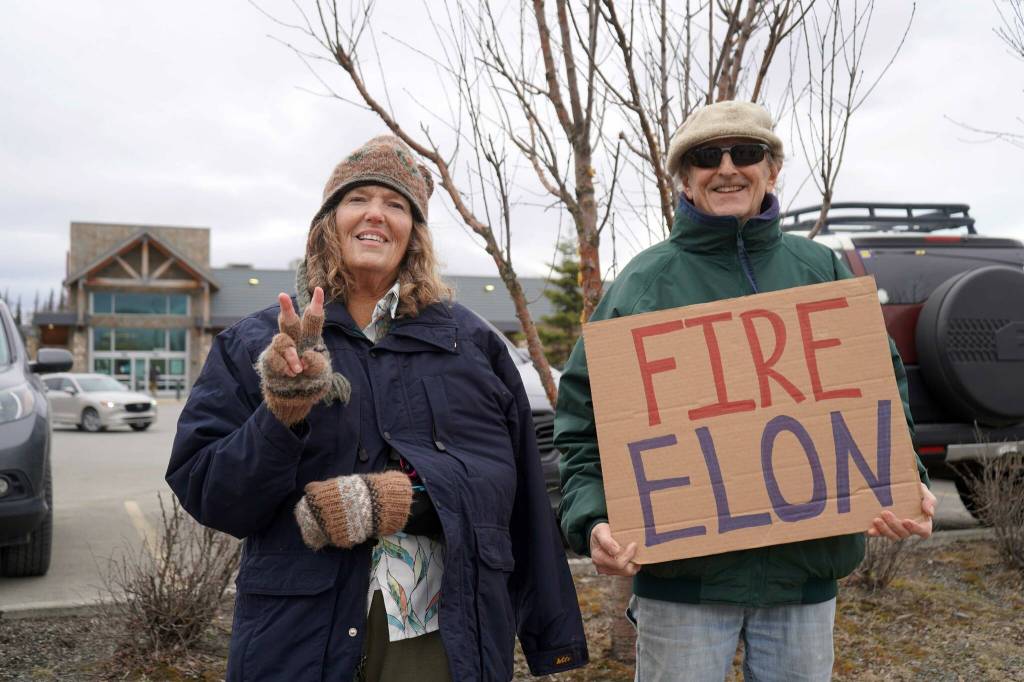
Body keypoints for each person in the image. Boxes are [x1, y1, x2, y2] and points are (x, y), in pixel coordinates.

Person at [167, 135, 588, 681]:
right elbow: (209, 494)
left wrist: (407, 498)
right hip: (296, 638)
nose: (375, 214)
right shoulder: (257, 343)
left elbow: (517, 493)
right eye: (357, 198)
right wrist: (282, 417)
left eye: (395, 204)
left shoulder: (472, 345)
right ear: (328, 222)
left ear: (415, 232)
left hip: (440, 638)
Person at [554, 101, 937, 681]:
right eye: (708, 157)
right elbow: (582, 426)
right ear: (684, 178)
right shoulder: (639, 286)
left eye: (747, 153)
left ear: (772, 170)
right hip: (682, 589)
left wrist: (905, 482)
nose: (728, 168)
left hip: (801, 581)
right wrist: (594, 519)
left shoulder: (823, 273)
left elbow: (881, 397)